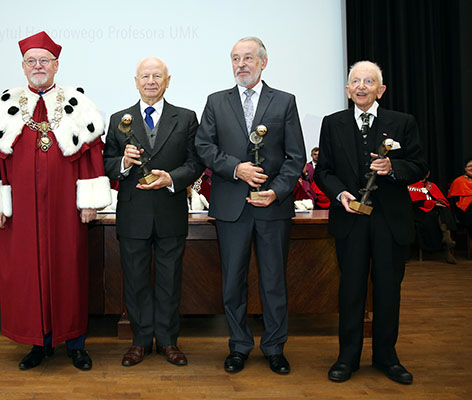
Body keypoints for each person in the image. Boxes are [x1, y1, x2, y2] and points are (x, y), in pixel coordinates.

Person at [0, 31, 111, 371]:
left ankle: (75, 343)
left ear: (56, 65)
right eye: (31, 61)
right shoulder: (5, 105)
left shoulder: (77, 103)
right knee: (26, 276)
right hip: (21, 213)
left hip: (66, 211)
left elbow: (91, 157)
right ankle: (38, 343)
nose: (38, 66)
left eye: (44, 61)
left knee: (70, 271)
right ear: (23, 67)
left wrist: (90, 200)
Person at [195, 37, 306, 375]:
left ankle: (274, 347)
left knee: (274, 281)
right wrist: (235, 168)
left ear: (263, 62)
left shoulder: (284, 102)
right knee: (233, 282)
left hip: (273, 207)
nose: (241, 64)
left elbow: (296, 156)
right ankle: (239, 345)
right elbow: (204, 146)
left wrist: (278, 190)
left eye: (247, 58)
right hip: (231, 206)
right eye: (235, 59)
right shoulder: (216, 102)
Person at [314, 61, 426, 385]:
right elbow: (323, 172)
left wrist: (393, 168)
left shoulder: (402, 122)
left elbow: (418, 165)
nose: (361, 87)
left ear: (381, 89)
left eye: (369, 81)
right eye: (355, 82)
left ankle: (386, 358)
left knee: (389, 291)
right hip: (351, 220)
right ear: (347, 89)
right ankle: (347, 358)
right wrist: (340, 195)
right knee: (350, 291)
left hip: (391, 221)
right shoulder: (332, 123)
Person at [103, 57, 203, 367]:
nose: (150, 81)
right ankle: (141, 341)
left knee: (170, 281)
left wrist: (172, 178)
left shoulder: (186, 118)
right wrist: (123, 162)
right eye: (145, 76)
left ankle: (169, 342)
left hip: (170, 211)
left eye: (157, 76)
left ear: (167, 80)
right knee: (135, 281)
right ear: (135, 81)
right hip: (134, 215)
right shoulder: (119, 119)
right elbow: (106, 162)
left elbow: (196, 162)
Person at [408, 172, 457, 264]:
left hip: (435, 211)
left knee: (444, 210)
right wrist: (432, 204)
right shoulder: (410, 185)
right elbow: (414, 202)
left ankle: (446, 240)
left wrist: (440, 202)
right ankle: (447, 241)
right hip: (419, 212)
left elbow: (441, 198)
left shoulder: (431, 185)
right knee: (439, 215)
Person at [448, 157, 472, 234]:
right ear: (465, 168)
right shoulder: (459, 181)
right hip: (465, 212)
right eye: (470, 166)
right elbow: (456, 204)